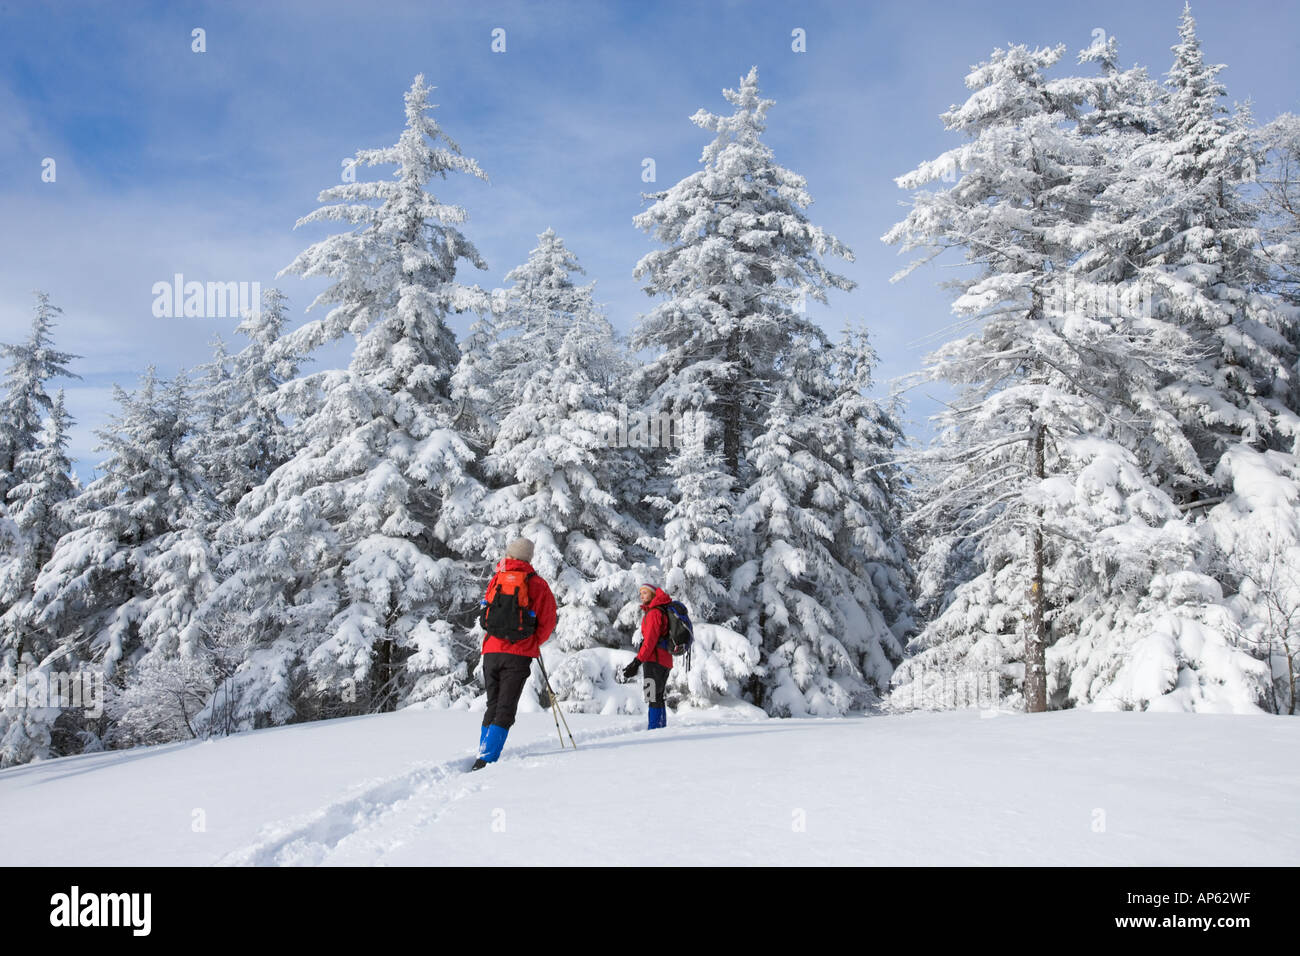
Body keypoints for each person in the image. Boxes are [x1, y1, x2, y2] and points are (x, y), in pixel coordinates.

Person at [472, 537, 557, 771]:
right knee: (506, 707)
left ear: (509, 555)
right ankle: (487, 759)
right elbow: (548, 620)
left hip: (491, 651)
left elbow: (486, 614)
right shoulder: (537, 583)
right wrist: (532, 642)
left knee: (493, 703)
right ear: (529, 557)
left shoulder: (497, 579)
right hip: (518, 653)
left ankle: (483, 750)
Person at [623, 583, 674, 730]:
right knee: (657, 695)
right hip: (663, 660)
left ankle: (654, 729)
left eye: (645, 593)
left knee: (652, 695)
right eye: (641, 593)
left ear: (652, 594)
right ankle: (660, 728)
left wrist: (637, 661)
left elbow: (650, 641)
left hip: (654, 661)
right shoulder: (659, 611)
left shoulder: (654, 613)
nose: (642, 595)